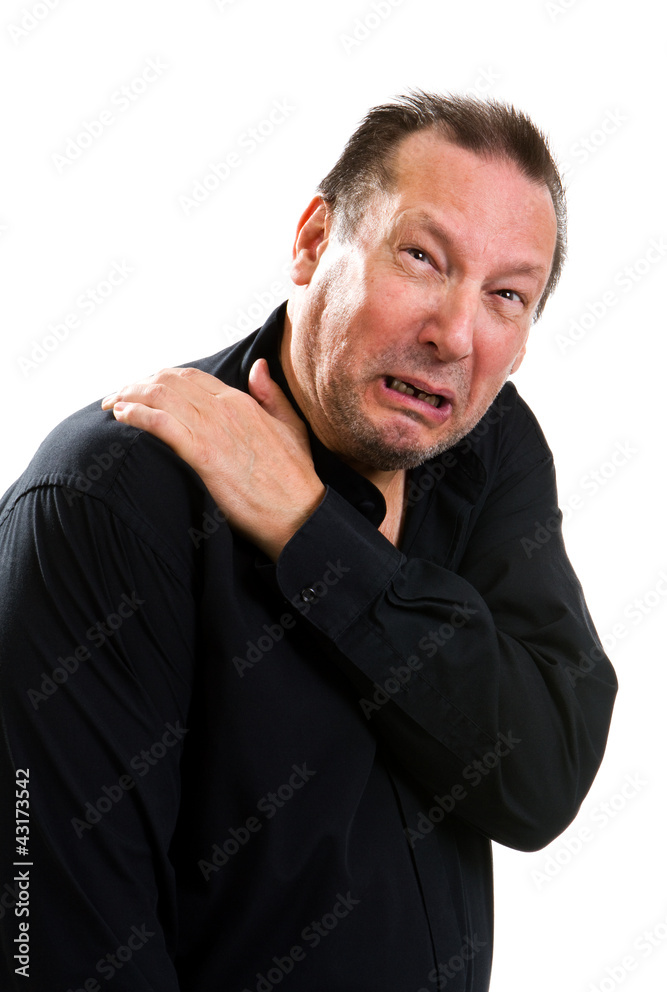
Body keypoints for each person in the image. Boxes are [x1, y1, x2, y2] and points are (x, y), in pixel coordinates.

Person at [0, 92, 617, 991]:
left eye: (506, 296)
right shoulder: (103, 502)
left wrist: (313, 532)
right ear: (314, 240)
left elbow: (539, 778)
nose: (453, 335)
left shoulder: (486, 448)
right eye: (421, 256)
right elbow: (55, 945)